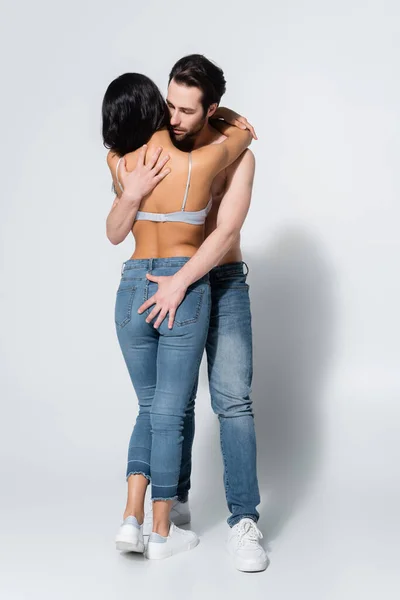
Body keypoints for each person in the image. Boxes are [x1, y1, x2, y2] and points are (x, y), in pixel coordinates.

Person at [116, 55, 269, 572]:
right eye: (170, 106)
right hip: (166, 280)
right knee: (169, 403)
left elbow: (224, 233)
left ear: (212, 111)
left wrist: (183, 280)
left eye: (187, 111)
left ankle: (244, 521)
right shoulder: (161, 139)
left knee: (232, 402)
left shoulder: (237, 158)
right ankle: (171, 503)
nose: (174, 119)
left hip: (219, 282)